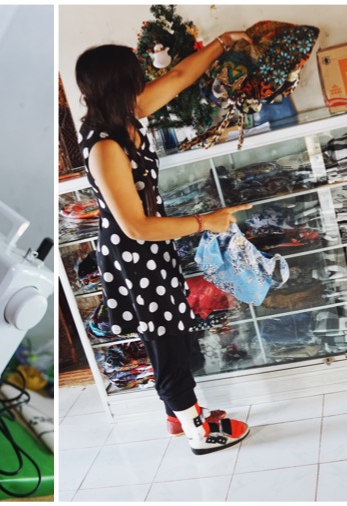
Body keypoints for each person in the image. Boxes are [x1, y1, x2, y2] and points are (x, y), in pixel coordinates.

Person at [74, 32, 255, 455]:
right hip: (134, 251)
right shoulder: (104, 145)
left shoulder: (127, 115)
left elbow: (178, 77)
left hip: (151, 247)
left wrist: (221, 44)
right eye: (136, 78)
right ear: (121, 85)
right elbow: (135, 226)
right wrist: (203, 222)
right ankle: (198, 433)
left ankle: (180, 415)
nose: (143, 84)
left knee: (170, 333)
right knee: (167, 339)